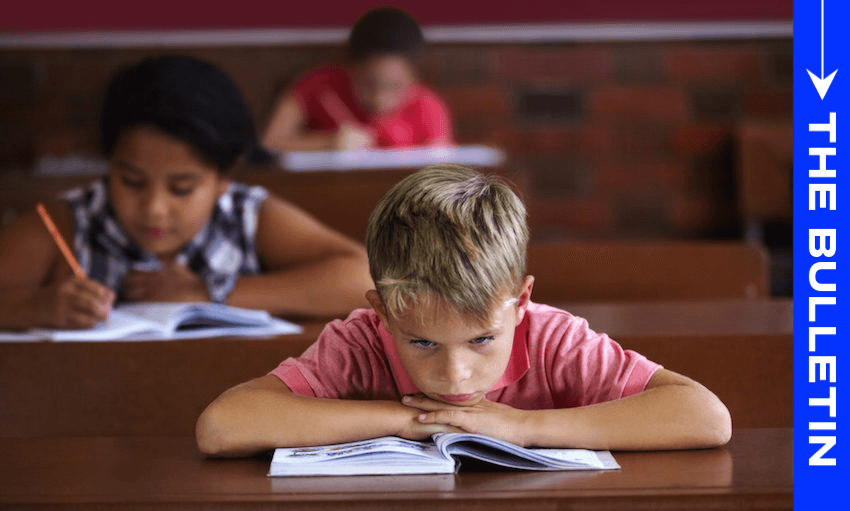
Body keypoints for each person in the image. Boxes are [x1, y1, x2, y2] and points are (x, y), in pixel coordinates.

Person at [195, 164, 732, 457]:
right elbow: (222, 426)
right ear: (381, 312)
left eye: (481, 340)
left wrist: (523, 429)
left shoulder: (553, 338)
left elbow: (706, 417)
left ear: (519, 303)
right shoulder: (360, 341)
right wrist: (411, 421)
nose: (454, 375)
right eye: (423, 343)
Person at [0, 56, 373, 330]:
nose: (154, 209)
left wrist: (208, 293)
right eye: (131, 181)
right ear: (109, 163)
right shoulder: (69, 221)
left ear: (223, 178)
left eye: (182, 188)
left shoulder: (246, 216)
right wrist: (32, 305)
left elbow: (363, 280)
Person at [262, 7, 453, 152]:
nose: (380, 99)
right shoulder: (317, 87)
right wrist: (327, 142)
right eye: (368, 84)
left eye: (394, 87)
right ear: (350, 67)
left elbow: (442, 169)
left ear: (415, 77)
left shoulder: (428, 106)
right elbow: (268, 144)